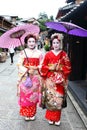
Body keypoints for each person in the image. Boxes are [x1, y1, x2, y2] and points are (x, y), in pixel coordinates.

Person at [40, 33, 71, 126]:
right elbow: (43, 67)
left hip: (60, 80)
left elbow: (68, 67)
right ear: (51, 44)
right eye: (54, 43)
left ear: (60, 43)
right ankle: (50, 118)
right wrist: (50, 68)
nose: (56, 45)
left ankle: (57, 118)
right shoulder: (48, 54)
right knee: (50, 98)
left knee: (58, 99)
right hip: (50, 79)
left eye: (57, 43)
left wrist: (60, 68)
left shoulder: (64, 54)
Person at [17, 34, 43, 121]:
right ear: (26, 43)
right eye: (29, 41)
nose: (31, 43)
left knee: (33, 96)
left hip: (35, 77)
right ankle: (26, 114)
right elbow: (19, 64)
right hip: (26, 77)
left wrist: (36, 68)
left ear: (35, 42)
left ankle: (32, 113)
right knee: (25, 95)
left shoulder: (39, 53)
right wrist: (27, 70)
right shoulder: (23, 52)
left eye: (33, 41)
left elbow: (42, 65)